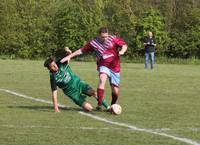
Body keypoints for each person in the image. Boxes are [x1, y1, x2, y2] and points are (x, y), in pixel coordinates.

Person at [60, 27, 128, 109]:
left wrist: (122, 51)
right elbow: (81, 50)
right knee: (102, 79)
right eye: (103, 37)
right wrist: (69, 56)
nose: (105, 39)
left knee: (115, 92)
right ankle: (99, 103)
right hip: (103, 65)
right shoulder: (94, 43)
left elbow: (124, 45)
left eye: (106, 36)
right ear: (99, 35)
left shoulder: (113, 39)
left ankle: (113, 105)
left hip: (115, 67)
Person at [44, 47, 110, 112]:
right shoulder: (53, 77)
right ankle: (85, 104)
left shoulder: (61, 63)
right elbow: (54, 94)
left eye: (54, 64)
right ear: (49, 68)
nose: (55, 66)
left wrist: (67, 50)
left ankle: (108, 107)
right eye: (52, 66)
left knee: (94, 92)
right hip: (72, 92)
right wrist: (56, 108)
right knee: (89, 108)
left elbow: (69, 55)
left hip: (78, 83)